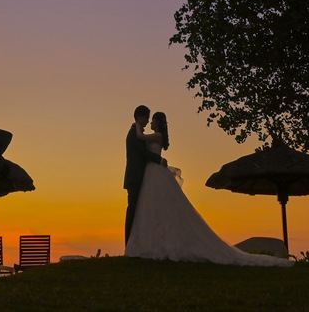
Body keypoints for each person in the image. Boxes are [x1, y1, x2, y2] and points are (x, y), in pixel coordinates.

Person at [125, 111, 292, 266]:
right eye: (148, 119)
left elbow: (141, 137)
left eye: (152, 120)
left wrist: (137, 125)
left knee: (161, 207)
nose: (150, 122)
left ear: (158, 122)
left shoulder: (155, 135)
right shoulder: (153, 135)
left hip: (155, 173)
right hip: (151, 174)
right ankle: (151, 242)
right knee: (152, 208)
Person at [124, 104, 165, 243]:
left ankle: (138, 241)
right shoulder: (133, 133)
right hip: (135, 177)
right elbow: (142, 152)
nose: (148, 121)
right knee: (133, 210)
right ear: (140, 118)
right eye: (147, 118)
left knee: (139, 210)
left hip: (143, 177)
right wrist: (158, 159)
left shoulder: (138, 132)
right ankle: (129, 242)